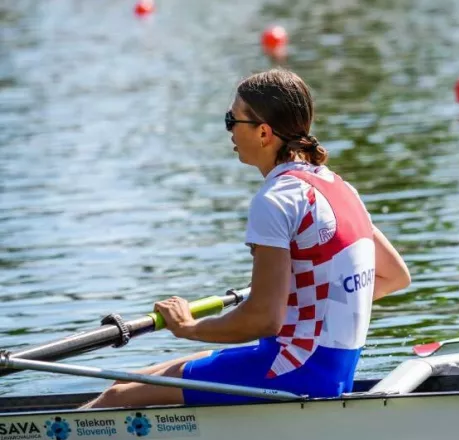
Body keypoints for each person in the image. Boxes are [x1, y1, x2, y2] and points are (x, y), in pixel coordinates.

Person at [82, 69, 410, 408]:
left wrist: (189, 327)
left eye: (231, 120)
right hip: (321, 368)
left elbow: (265, 319)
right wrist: (311, 307)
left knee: (117, 396)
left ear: (264, 133)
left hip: (290, 371)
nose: (229, 131)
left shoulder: (276, 200)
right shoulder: (341, 189)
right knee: (133, 378)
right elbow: (394, 277)